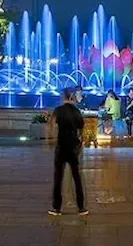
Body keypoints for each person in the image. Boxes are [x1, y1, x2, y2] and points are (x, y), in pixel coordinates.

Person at [48, 88, 88, 216]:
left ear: (63, 97)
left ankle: (57, 208)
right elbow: (82, 129)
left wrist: (50, 139)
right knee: (76, 177)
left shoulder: (58, 110)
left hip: (61, 146)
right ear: (72, 97)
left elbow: (51, 125)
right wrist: (80, 143)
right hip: (73, 146)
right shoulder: (77, 112)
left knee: (58, 177)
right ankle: (81, 207)